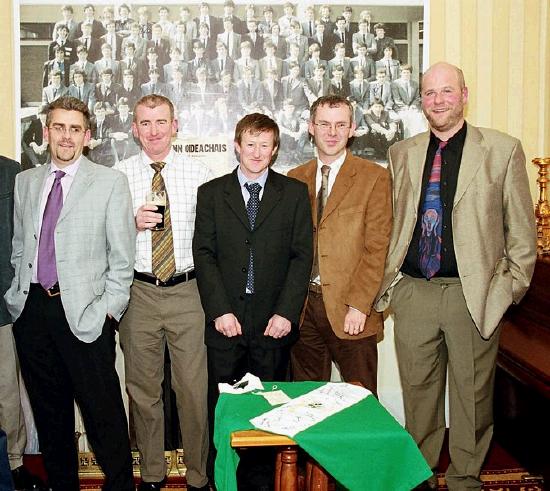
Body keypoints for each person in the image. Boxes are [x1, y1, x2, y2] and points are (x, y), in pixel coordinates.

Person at [375, 62, 537, 490]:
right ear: (421, 100)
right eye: (430, 93)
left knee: (473, 397)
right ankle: (421, 477)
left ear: (465, 95)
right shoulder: (402, 153)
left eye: (447, 91)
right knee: (419, 395)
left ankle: (465, 479)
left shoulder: (502, 150)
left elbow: (522, 232)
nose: (438, 100)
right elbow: (394, 224)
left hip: (473, 295)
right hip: (414, 292)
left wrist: (507, 290)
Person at [4, 96, 136, 491]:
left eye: (74, 128)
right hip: (32, 314)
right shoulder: (25, 181)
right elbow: (19, 246)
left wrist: (109, 311)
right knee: (50, 415)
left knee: (104, 415)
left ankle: (119, 486)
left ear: (88, 136)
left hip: (86, 314)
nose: (66, 136)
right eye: (58, 127)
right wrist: (18, 298)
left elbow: (122, 259)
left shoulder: (110, 182)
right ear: (46, 133)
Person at [192, 112, 313, 489]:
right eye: (250, 144)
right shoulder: (212, 193)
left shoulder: (292, 193)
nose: (257, 153)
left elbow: (301, 256)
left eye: (265, 145)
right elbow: (204, 253)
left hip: (272, 322)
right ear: (237, 146)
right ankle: (222, 479)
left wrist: (286, 313)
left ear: (275, 150)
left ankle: (261, 482)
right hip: (226, 320)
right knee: (225, 408)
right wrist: (220, 310)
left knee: (267, 410)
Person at [115, 95, 211, 491]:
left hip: (188, 292)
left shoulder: (201, 173)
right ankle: (152, 475)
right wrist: (129, 223)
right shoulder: (116, 177)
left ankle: (198, 476)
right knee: (142, 390)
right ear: (134, 129)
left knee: (192, 391)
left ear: (176, 125)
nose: (153, 130)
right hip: (138, 292)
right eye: (145, 123)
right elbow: (100, 239)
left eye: (161, 121)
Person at [288, 95, 392, 394]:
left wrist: (360, 305)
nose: (332, 132)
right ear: (311, 127)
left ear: (353, 129)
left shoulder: (375, 177)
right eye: (324, 124)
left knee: (360, 404)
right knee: (306, 406)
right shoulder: (295, 179)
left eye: (340, 125)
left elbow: (377, 248)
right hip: (305, 311)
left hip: (353, 310)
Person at [0, 156, 46, 491]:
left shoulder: (11, 173)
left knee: (6, 390)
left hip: (1, 302)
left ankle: (13, 464)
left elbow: (25, 235)